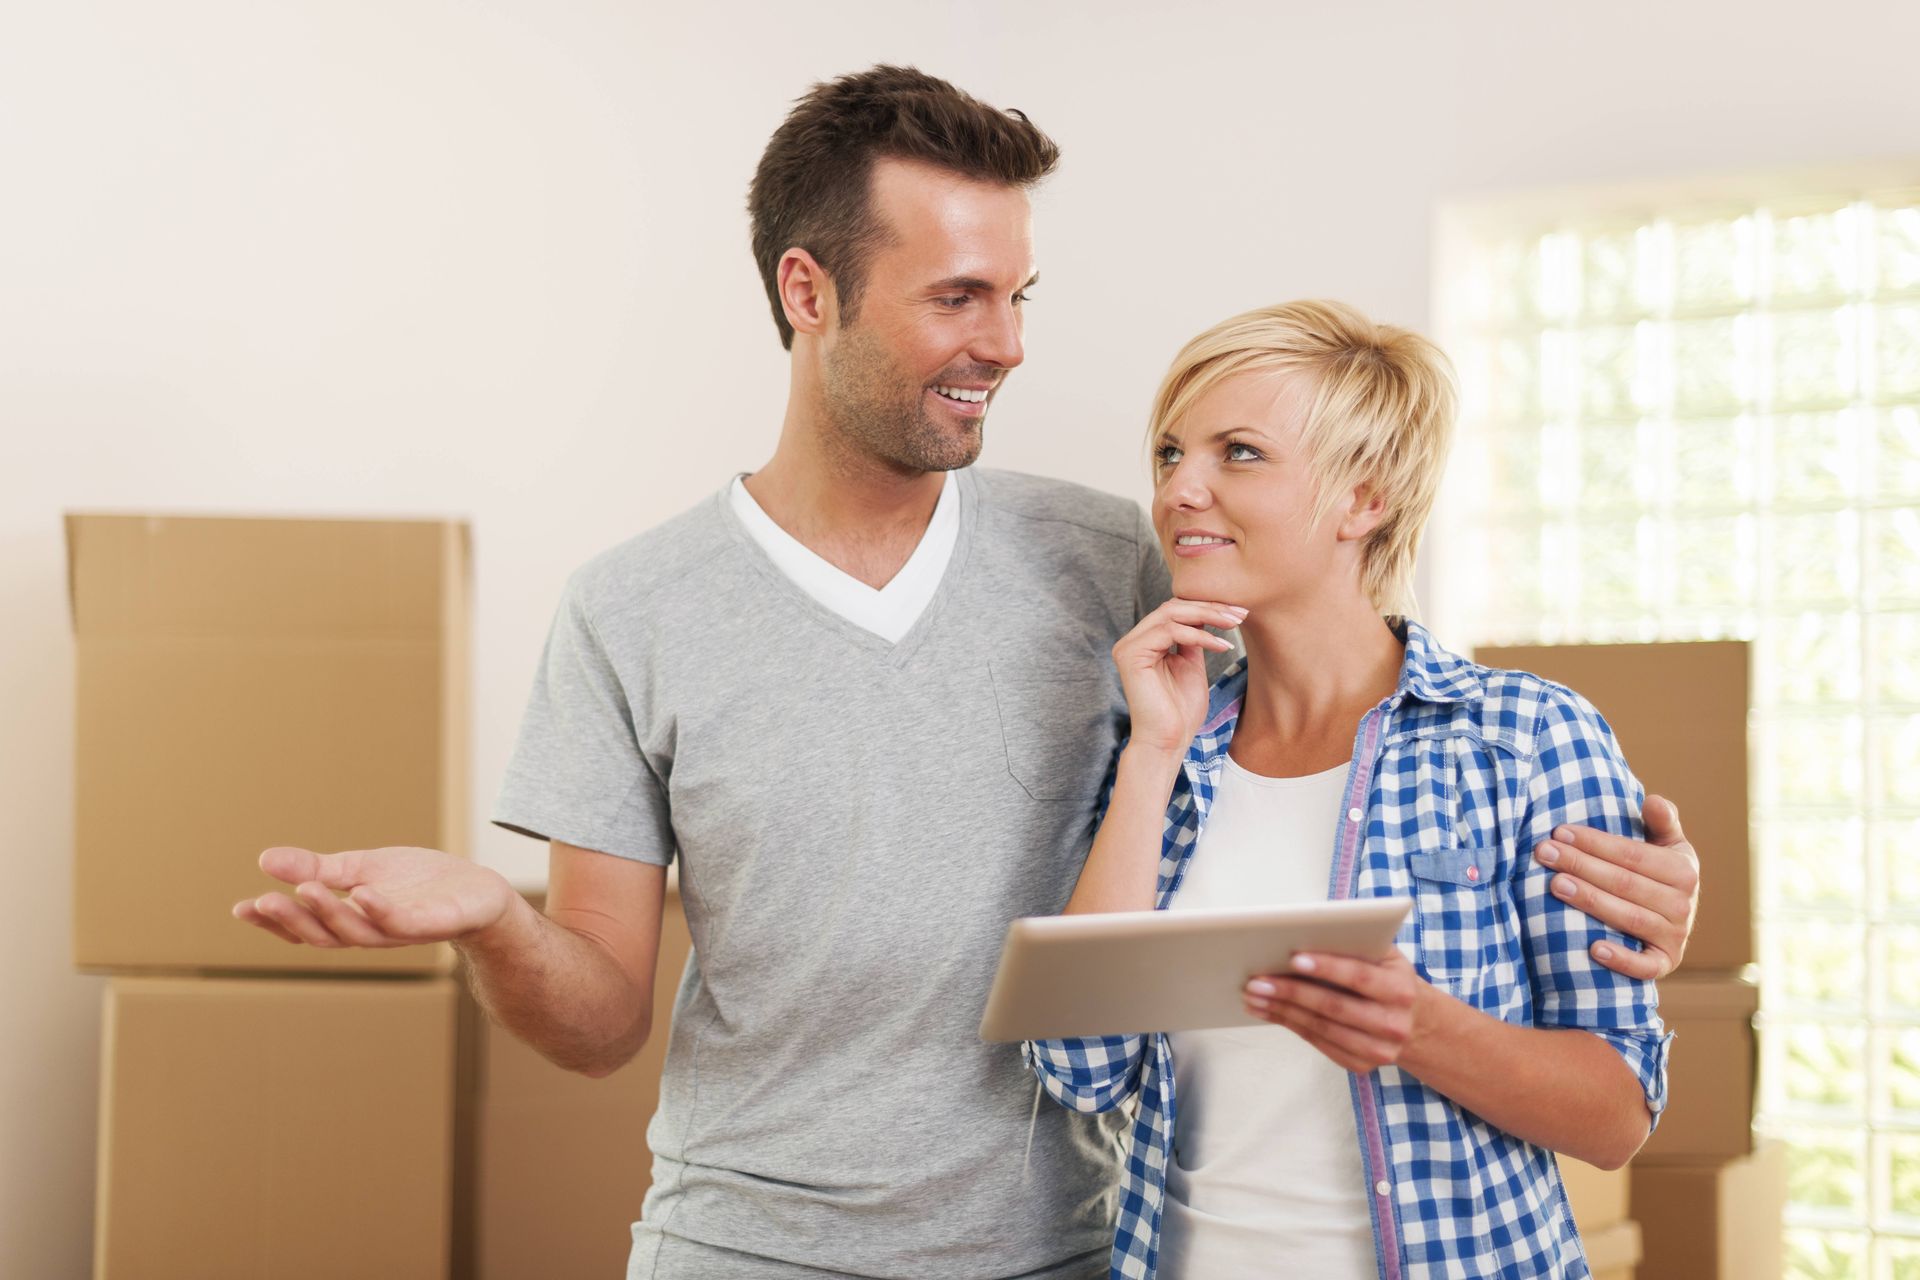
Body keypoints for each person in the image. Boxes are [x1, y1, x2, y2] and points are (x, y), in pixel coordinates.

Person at [232, 68, 1701, 1279]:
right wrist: (496, 917)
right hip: (743, 1249)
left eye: (1018, 297)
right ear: (808, 292)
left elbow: (1359, 686)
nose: (1002, 345)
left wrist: (1637, 884)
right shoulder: (632, 613)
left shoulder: (1118, 563)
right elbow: (603, 1017)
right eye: (956, 298)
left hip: (1059, 1252)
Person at [1028, 300, 1670, 1280]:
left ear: (1363, 498)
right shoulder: (1163, 749)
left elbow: (1616, 1112)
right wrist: (1155, 751)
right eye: (1168, 453)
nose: (1179, 489)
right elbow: (1083, 1066)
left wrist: (1421, 1026)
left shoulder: (1525, 736)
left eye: (1237, 452)